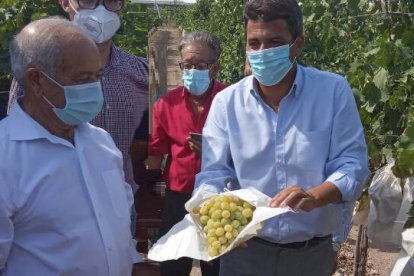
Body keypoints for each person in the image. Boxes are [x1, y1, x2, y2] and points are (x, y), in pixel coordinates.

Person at [194, 1, 371, 275]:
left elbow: (353, 163)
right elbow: (214, 173)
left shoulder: (332, 92)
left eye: (274, 42)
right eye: (254, 43)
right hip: (245, 254)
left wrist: (316, 196)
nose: (262, 52)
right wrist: (209, 208)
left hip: (310, 255)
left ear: (297, 44)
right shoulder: (226, 104)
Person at [0, 18, 139, 275]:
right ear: (36, 81)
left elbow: (116, 225)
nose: (95, 88)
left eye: (97, 76)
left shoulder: (101, 142)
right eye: (83, 78)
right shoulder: (6, 158)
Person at [7, 0, 148, 194]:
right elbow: (16, 144)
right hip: (52, 202)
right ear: (65, 3)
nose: (101, 9)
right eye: (89, 0)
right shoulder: (39, 74)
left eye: (112, 1)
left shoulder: (141, 73)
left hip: (119, 197)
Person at [147, 31, 227, 276]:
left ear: (215, 68)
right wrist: (151, 191)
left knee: (216, 264)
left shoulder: (230, 100)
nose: (192, 71)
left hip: (220, 198)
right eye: (187, 65)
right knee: (174, 262)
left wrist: (216, 151)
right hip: (178, 196)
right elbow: (156, 152)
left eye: (200, 65)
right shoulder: (166, 104)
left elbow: (249, 150)